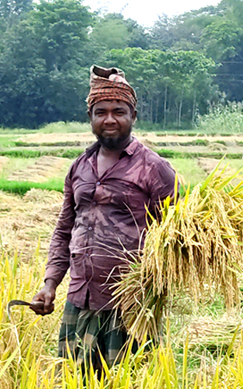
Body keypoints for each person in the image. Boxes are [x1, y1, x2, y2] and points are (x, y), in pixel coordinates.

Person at [30, 66, 178, 372]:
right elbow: (64, 230)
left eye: (118, 111)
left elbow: (177, 237)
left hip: (130, 306)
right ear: (90, 118)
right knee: (73, 387)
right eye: (101, 112)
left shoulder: (155, 169)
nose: (109, 119)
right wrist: (50, 284)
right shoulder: (79, 168)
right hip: (80, 299)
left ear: (133, 116)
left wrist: (155, 287)